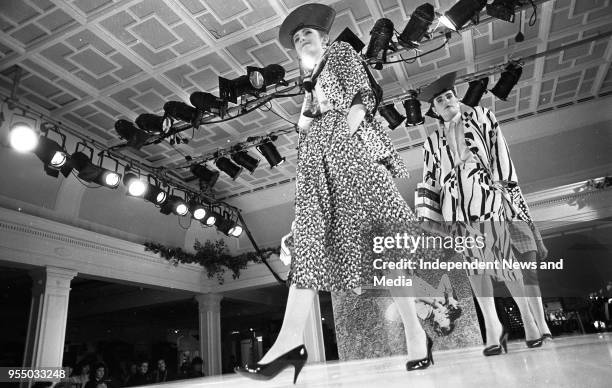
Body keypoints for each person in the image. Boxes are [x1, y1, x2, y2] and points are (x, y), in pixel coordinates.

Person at [236, 3, 446, 384]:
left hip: (349, 151)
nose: (301, 39)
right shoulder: (311, 82)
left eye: (307, 34)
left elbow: (362, 97)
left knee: (386, 248)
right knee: (309, 244)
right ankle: (287, 345)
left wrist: (343, 142)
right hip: (319, 159)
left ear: (325, 37)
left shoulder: (341, 53)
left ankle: (416, 335)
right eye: (296, 38)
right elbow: (306, 126)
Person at [416, 71, 545, 355]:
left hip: (485, 196)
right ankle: (492, 327)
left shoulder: (483, 117)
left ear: (457, 97)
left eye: (449, 95)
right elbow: (429, 180)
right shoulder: (431, 142)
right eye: (440, 100)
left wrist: (502, 186)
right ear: (434, 110)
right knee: (476, 269)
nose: (446, 101)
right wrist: (432, 216)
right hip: (456, 207)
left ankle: (529, 322)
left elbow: (500, 150)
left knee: (504, 262)